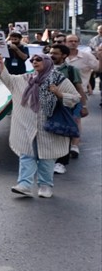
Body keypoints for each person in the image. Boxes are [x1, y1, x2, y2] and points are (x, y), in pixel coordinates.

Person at [0, 52, 79, 199]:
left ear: (47, 62)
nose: (35, 62)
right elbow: (8, 80)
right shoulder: (26, 79)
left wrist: (59, 94)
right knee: (27, 155)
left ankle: (45, 186)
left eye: (39, 59)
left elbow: (75, 98)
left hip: (48, 126)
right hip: (26, 125)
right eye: (33, 60)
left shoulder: (59, 80)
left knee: (46, 157)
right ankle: (24, 185)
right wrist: (1, 63)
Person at [47, 43, 88, 175]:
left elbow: (79, 88)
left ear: (64, 55)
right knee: (48, 133)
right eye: (51, 53)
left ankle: (61, 162)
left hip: (66, 106)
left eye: (55, 53)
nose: (52, 55)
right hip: (47, 106)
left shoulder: (71, 70)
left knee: (64, 133)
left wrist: (83, 105)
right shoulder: (44, 67)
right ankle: (49, 159)